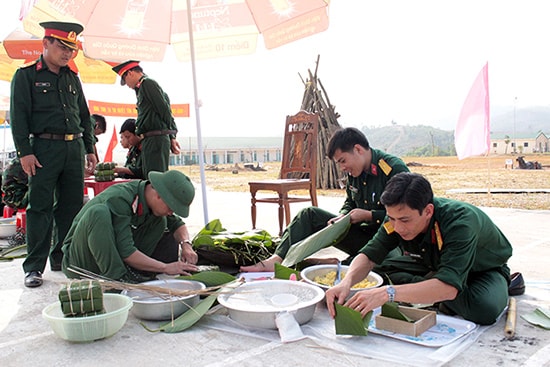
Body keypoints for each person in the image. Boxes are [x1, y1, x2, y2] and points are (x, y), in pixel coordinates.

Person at [326, 172, 513, 325]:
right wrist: (346, 281)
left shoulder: (460, 222)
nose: (397, 228)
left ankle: (433, 289)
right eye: (392, 219)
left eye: (405, 220)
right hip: (432, 265)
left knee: (484, 308)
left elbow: (449, 289)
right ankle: (430, 288)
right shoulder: (396, 216)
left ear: (428, 211)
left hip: (481, 271)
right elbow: (369, 255)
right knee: (378, 272)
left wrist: (388, 293)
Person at [240, 127, 410, 272]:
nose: (343, 168)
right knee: (309, 214)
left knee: (385, 266)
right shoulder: (354, 173)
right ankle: (277, 259)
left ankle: (330, 266)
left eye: (343, 161)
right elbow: (350, 202)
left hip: (389, 240)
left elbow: (406, 216)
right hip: (362, 236)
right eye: (339, 164)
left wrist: (369, 216)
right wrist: (343, 215)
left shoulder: (393, 169)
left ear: (358, 149)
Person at [10, 21, 97, 288]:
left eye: (71, 49)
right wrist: (24, 152)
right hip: (43, 149)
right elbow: (19, 117)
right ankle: (34, 266)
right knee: (39, 207)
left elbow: (84, 114)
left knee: (71, 205)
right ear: (45, 43)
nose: (67, 53)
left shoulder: (72, 77)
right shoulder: (26, 76)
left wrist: (90, 148)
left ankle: (62, 257)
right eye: (62, 47)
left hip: (73, 149)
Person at [62, 170, 199, 282]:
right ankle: (116, 277)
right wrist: (165, 267)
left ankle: (132, 271)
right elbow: (126, 251)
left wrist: (186, 245)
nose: (171, 212)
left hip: (106, 256)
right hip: (80, 261)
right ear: (158, 195)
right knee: (98, 213)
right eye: (171, 208)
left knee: (161, 221)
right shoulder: (121, 198)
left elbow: (177, 224)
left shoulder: (150, 201)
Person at [111, 60, 180, 177]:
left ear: (130, 73)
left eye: (125, 80)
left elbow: (164, 110)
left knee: (155, 179)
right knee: (148, 177)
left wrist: (172, 135)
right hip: (149, 139)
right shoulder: (141, 89)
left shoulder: (148, 84)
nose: (127, 84)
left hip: (156, 138)